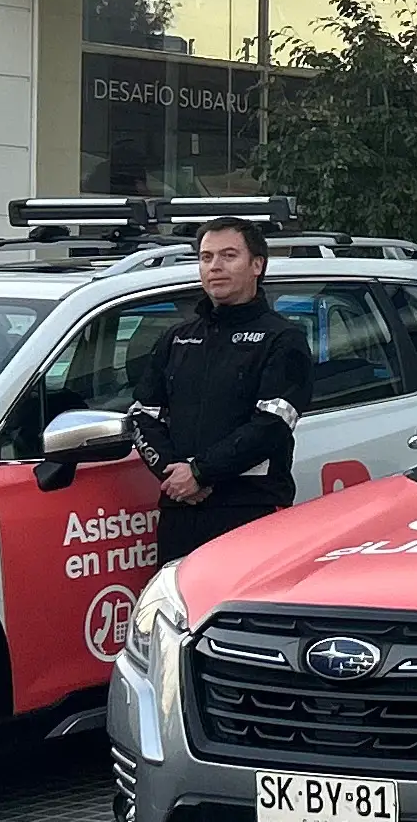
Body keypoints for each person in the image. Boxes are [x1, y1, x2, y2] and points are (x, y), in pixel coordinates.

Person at [126, 218, 314, 566]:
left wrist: (200, 473)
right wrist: (174, 475)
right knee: (174, 600)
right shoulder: (177, 338)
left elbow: (273, 425)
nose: (215, 266)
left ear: (257, 265)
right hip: (181, 509)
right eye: (206, 257)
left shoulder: (282, 339)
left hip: (249, 508)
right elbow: (141, 415)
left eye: (229, 255)